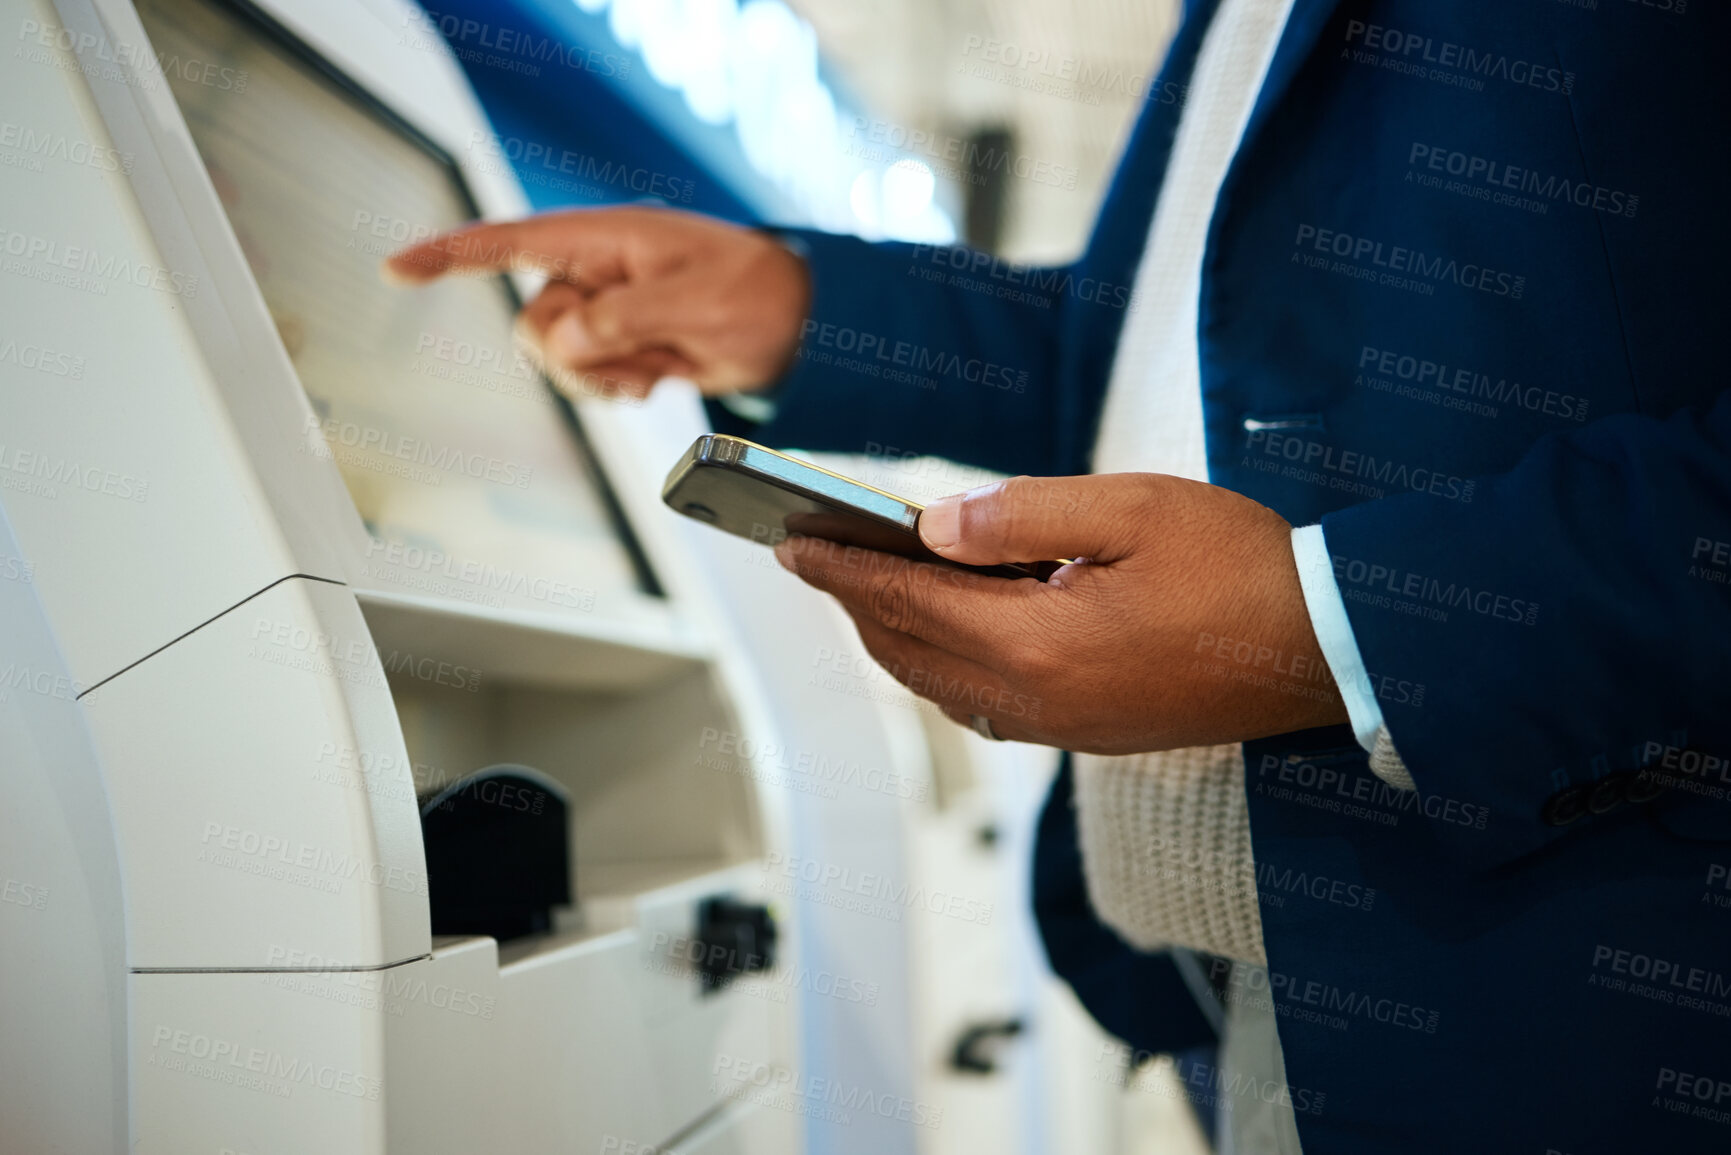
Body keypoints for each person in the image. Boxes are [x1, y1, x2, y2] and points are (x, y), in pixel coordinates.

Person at [388, 0, 1731, 1150]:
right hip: (1235, 985)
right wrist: (802, 310)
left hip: (1562, 989)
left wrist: (1335, 625)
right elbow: (1154, 357)